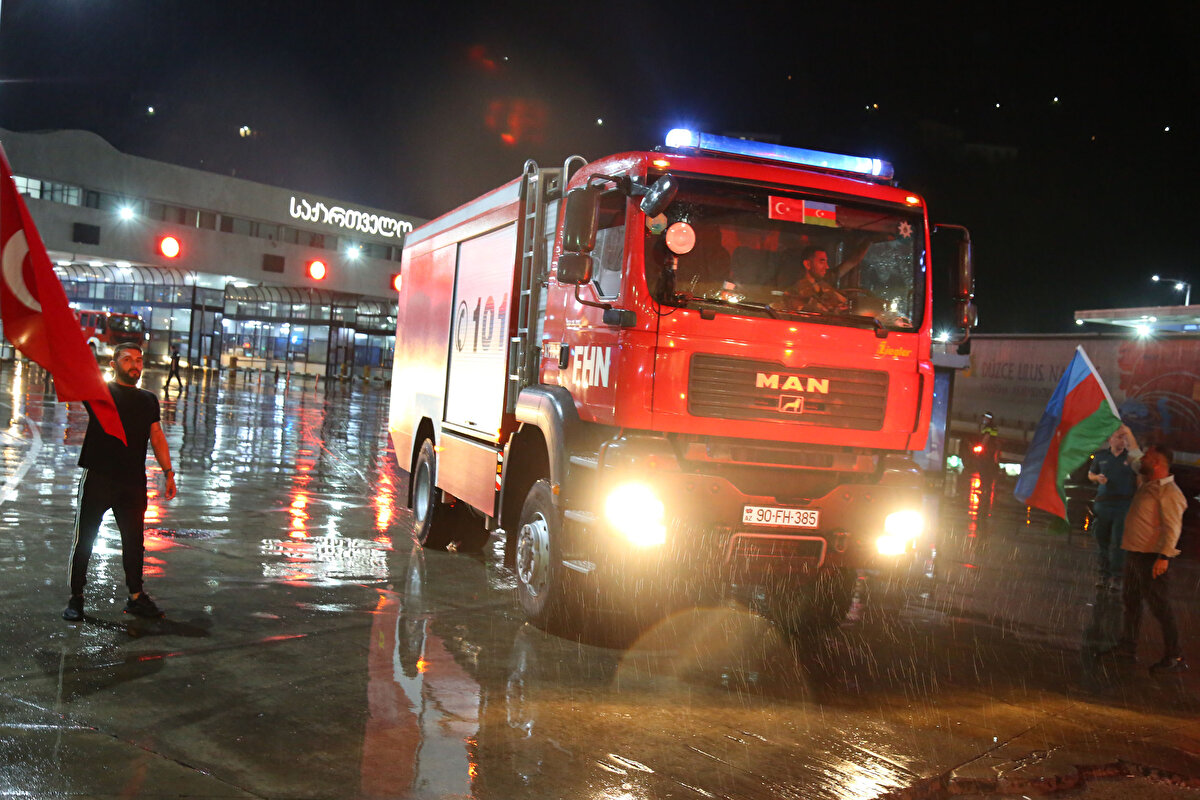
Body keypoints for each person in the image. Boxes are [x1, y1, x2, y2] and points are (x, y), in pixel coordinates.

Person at [63, 343, 177, 621]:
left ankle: (136, 597)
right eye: (127, 359)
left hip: (133, 481)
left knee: (134, 541)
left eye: (138, 360)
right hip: (99, 477)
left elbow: (157, 435)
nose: (134, 364)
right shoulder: (100, 393)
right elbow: (72, 373)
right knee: (85, 540)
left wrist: (168, 472)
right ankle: (76, 598)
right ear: (113, 364)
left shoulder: (149, 399)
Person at [1101, 438, 1188, 673]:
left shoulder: (1169, 492)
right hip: (1137, 555)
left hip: (1152, 558)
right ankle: (1127, 647)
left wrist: (1164, 558)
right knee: (1131, 603)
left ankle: (1175, 655)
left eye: (1148, 456)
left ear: (1158, 462)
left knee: (1160, 607)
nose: (1144, 459)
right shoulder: (1150, 485)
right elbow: (1134, 459)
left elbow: (1173, 528)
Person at [1087, 426, 1138, 591]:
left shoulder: (1130, 458)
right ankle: (1103, 574)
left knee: (1118, 542)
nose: (1122, 441)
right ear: (1110, 439)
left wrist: (1129, 433)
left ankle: (1117, 576)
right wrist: (1097, 478)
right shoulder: (1101, 456)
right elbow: (1090, 474)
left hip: (1122, 505)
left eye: (1124, 438)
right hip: (1103, 504)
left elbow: (1141, 465)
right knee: (1102, 541)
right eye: (1118, 437)